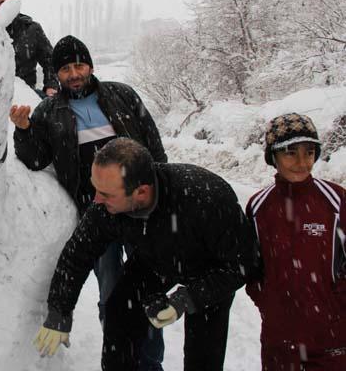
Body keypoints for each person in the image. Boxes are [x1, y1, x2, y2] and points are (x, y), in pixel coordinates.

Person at [33, 138, 261, 371]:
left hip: (210, 269)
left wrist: (188, 298)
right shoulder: (106, 208)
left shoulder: (206, 197)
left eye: (106, 193)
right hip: (155, 260)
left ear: (141, 192)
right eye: (95, 188)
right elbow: (78, 253)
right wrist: (59, 311)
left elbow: (245, 263)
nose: (96, 199)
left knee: (204, 355)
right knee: (119, 313)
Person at [10, 35, 167, 369]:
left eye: (79, 65)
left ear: (91, 66)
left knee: (150, 288)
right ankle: (120, 355)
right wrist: (24, 129)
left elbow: (153, 145)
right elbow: (36, 160)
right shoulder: (49, 111)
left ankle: (151, 363)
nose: (74, 73)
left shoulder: (122, 96)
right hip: (98, 213)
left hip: (141, 210)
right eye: (65, 68)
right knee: (111, 288)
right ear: (58, 73)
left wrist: (162, 194)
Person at [245, 113, 346, 370]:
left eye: (309, 152)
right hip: (279, 341)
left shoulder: (335, 201)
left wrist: (336, 305)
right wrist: (267, 301)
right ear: (273, 157)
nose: (302, 162)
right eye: (291, 152)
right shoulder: (258, 206)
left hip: (331, 340)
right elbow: (251, 266)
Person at [0, 0, 58, 98]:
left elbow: (50, 60)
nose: (6, 6)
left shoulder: (32, 29)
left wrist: (51, 86)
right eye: (1, 3)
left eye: (10, 2)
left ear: (17, 5)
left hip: (25, 94)